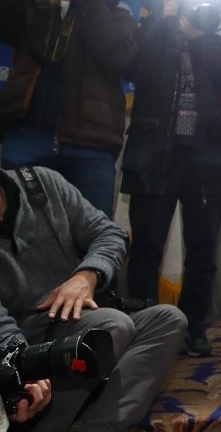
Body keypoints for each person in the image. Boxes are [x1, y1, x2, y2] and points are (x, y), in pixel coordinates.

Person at [0, 165, 186, 430]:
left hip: (77, 316)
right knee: (111, 326)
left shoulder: (41, 182)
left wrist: (86, 276)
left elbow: (110, 234)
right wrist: (19, 362)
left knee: (168, 319)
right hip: (21, 332)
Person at [119, 0, 221, 357]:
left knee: (203, 252)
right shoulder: (153, 31)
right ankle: (145, 329)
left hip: (206, 162)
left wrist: (201, 37)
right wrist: (160, 21)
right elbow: (135, 69)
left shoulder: (210, 38)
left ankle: (194, 327)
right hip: (156, 156)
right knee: (147, 247)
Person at [0, 0, 138, 218]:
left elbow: (120, 59)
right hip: (26, 134)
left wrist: (92, 4)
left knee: (92, 237)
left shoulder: (115, 13)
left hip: (91, 144)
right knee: (13, 231)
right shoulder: (33, 4)